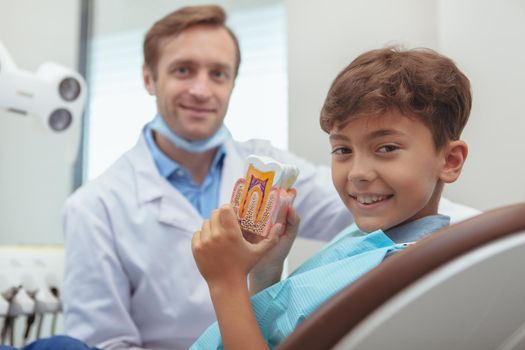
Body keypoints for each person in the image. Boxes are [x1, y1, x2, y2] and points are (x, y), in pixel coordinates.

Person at [62, 4, 477, 350]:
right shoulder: (93, 207)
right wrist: (252, 278)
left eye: (218, 74)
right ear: (149, 78)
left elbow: (401, 213)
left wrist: (486, 243)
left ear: (233, 83)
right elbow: (106, 342)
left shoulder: (278, 173)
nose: (202, 90)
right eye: (184, 70)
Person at [190, 46, 472, 349]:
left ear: (450, 161)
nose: (357, 173)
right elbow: (278, 334)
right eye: (343, 150)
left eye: (387, 148)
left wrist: (226, 283)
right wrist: (266, 271)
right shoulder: (368, 238)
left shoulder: (407, 279)